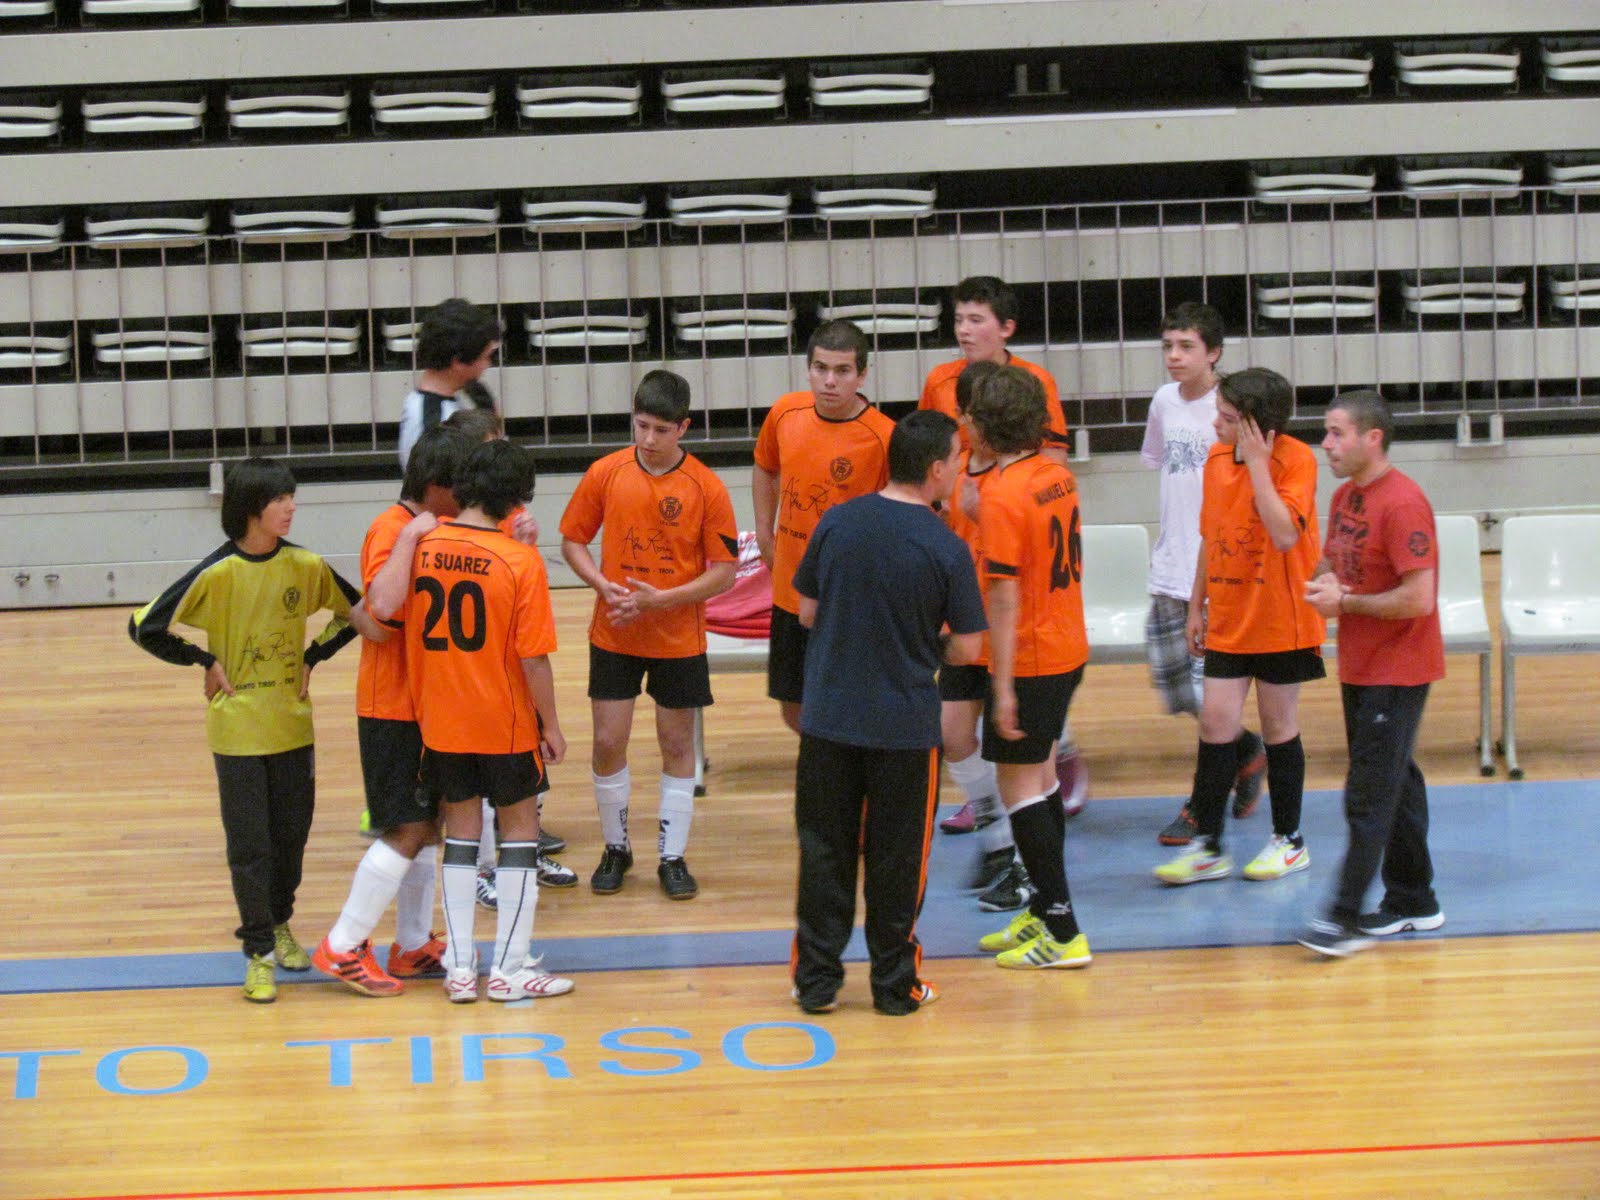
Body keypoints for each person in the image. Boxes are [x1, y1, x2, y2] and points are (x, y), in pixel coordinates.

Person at [130, 457, 379, 1003]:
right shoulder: (217, 573)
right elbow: (144, 625)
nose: (291, 507)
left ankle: (280, 921)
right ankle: (259, 952)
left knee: (291, 839)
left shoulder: (306, 565)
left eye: (291, 496)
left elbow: (355, 612)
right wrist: (202, 660)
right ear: (250, 509)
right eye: (279, 499)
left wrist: (313, 656)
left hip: (292, 726)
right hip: (238, 730)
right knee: (250, 846)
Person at [790, 409, 987, 1015]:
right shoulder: (947, 547)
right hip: (904, 728)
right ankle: (894, 986)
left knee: (824, 852)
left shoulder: (836, 521)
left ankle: (816, 983)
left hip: (828, 719)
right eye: (957, 459)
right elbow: (968, 649)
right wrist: (921, 641)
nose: (959, 468)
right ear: (937, 470)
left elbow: (805, 612)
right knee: (898, 862)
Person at [560, 370, 739, 900]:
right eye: (641, 426)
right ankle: (616, 848)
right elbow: (572, 541)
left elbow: (725, 572)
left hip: (678, 639)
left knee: (677, 743)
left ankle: (672, 856)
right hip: (614, 632)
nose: (648, 439)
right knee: (607, 741)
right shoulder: (606, 472)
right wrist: (602, 585)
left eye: (661, 429)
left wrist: (662, 600)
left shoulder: (706, 487)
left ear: (684, 427)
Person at [405, 439, 573, 1002]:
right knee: (519, 832)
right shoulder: (520, 562)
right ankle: (509, 969)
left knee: (460, 834)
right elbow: (534, 658)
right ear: (517, 496)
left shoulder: (425, 546)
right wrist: (551, 725)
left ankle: (459, 970)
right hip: (503, 721)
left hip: (441, 720)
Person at [311, 426, 472, 996]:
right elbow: (381, 610)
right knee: (406, 827)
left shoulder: (436, 527)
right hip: (392, 708)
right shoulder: (392, 528)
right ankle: (343, 944)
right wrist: (412, 540)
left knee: (428, 827)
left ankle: (410, 945)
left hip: (426, 704)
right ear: (434, 486)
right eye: (460, 489)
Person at [920, 275, 1084, 831]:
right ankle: (996, 815)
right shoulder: (941, 383)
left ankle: (1040, 786)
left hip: (1013, 579)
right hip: (967, 574)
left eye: (976, 319)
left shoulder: (1035, 388)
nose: (964, 330)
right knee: (953, 731)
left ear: (1007, 328)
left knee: (1018, 734)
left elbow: (1052, 466)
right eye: (958, 319)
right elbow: (932, 464)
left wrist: (989, 501)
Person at [1154, 368, 1326, 887]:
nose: (1215, 425)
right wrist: (1196, 606)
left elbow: (1283, 533)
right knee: (1216, 723)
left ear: (1256, 428)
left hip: (1282, 619)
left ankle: (1288, 841)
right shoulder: (1213, 459)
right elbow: (1211, 537)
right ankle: (1208, 846)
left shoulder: (1296, 460)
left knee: (1278, 726)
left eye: (1227, 418)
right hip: (1229, 616)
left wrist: (1256, 465)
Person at [1299, 390, 1446, 956]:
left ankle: (1341, 917)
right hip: (1360, 663)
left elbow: (1418, 598)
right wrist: (1322, 584)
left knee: (1369, 793)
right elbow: (1333, 562)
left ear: (1372, 438)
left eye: (1337, 433)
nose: (1327, 444)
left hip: (1398, 668)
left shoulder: (1403, 503)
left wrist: (1346, 604)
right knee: (1396, 780)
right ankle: (1414, 899)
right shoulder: (1345, 496)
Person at [963, 368, 1094, 969]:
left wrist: (1003, 686)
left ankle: (1063, 931)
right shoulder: (1056, 476)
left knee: (1020, 790)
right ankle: (1044, 909)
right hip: (1067, 646)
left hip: (1031, 658)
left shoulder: (1001, 493)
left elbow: (1005, 595)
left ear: (985, 429)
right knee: (1040, 783)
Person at [1141, 303, 1268, 847]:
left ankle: (1201, 806)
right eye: (1168, 346)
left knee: (1209, 698)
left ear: (1213, 353)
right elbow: (1162, 467)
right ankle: (1246, 750)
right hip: (1170, 564)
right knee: (1176, 689)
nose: (1174, 356)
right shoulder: (1163, 402)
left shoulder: (1230, 412)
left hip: (1217, 572)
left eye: (1186, 346)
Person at [437, 405, 573, 908]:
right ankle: (494, 879)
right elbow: (533, 651)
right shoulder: (475, 539)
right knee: (493, 806)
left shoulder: (433, 538)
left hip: (472, 694)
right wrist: (552, 724)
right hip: (490, 695)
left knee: (479, 812)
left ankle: (517, 860)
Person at [752, 319, 896, 735]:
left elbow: (902, 512)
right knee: (793, 707)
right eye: (821, 368)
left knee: (849, 702)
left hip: (849, 598)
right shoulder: (785, 413)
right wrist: (764, 533)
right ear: (808, 369)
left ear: (862, 375)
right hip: (790, 590)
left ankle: (842, 767)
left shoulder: (884, 436)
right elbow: (765, 467)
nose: (829, 381)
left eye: (842, 371)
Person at [935, 361, 1032, 912]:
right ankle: (998, 842)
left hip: (1009, 630)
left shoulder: (1019, 476)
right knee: (952, 733)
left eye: (970, 414)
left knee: (1015, 752)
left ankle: (1018, 858)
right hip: (965, 623)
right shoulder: (954, 470)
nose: (965, 423)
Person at [397, 297, 500, 470]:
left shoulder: (469, 393)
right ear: (458, 362)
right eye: (485, 357)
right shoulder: (435, 424)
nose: (487, 365)